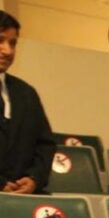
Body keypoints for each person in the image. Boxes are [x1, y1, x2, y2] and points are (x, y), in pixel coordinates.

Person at [0, 12, 54, 195]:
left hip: (23, 199)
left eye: (13, 43)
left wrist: (34, 179)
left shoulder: (27, 93)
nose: (8, 51)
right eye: (0, 40)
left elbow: (45, 144)